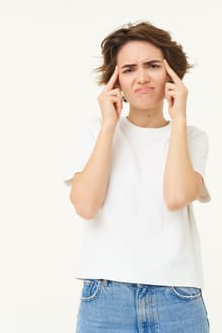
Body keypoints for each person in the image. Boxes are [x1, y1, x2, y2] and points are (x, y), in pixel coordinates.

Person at [65, 21, 211, 332]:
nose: (142, 77)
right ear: (115, 80)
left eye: (153, 66)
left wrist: (179, 118)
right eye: (129, 69)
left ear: (171, 73)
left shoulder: (192, 137)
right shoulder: (96, 131)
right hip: (106, 297)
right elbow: (86, 206)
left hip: (177, 297)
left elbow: (176, 197)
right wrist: (109, 126)